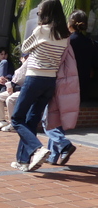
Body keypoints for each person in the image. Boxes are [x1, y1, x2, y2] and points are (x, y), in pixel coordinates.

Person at [9, 0, 69, 172]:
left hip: (34, 78)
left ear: (46, 13)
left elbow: (25, 47)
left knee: (16, 118)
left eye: (40, 11)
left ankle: (37, 148)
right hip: (50, 81)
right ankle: (23, 161)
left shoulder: (42, 30)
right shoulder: (64, 34)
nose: (38, 14)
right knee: (31, 120)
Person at [43, 10, 95, 165]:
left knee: (48, 119)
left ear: (70, 22)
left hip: (63, 84)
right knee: (59, 118)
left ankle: (64, 144)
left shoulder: (66, 41)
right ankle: (54, 155)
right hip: (80, 88)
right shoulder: (91, 43)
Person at [0, 54, 28, 131]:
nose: (26, 60)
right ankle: (2, 121)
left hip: (23, 91)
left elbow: (27, 84)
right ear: (21, 59)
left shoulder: (29, 69)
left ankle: (13, 124)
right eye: (24, 58)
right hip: (15, 90)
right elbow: (14, 81)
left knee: (10, 99)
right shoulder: (20, 69)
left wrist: (14, 87)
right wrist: (8, 84)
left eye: (27, 58)